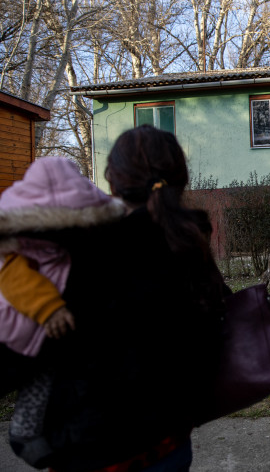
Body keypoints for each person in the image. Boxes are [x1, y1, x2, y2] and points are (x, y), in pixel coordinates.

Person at [3, 126, 230, 471]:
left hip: (93, 453)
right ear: (180, 179)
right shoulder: (191, 244)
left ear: (114, 183)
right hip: (168, 445)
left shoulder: (81, 254)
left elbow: (23, 357)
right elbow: (212, 337)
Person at [0, 157, 126, 466]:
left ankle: (30, 431)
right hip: (24, 332)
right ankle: (25, 431)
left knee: (47, 374)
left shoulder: (75, 250)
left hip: (52, 344)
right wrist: (49, 309)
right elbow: (14, 278)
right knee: (39, 374)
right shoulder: (18, 253)